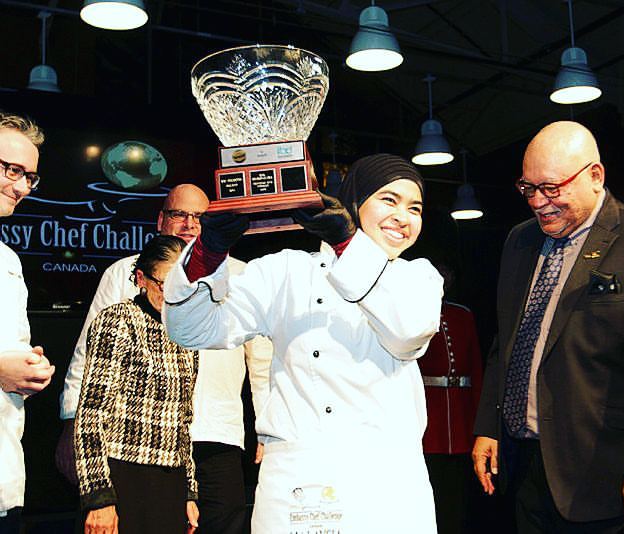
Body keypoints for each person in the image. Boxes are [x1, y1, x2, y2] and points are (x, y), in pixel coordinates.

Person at [163, 154, 443, 533]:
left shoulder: (418, 279)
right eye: (389, 200)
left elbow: (406, 332)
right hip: (296, 482)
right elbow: (192, 330)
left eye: (415, 208)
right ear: (355, 202)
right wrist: (207, 253)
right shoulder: (285, 271)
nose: (404, 217)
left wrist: (347, 243)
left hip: (386, 483)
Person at [472, 121, 624, 533]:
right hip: (524, 470)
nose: (539, 202)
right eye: (528, 188)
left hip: (607, 476)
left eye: (552, 189)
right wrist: (489, 425)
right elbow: (507, 341)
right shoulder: (519, 241)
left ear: (596, 176)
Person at [57, 184, 271, 533]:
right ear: (161, 220)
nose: (189, 224)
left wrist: (267, 426)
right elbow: (86, 357)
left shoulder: (243, 276)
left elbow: (263, 363)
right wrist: (70, 423)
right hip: (129, 445)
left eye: (201, 217)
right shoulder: (123, 272)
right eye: (179, 214)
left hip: (217, 434)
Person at [75, 235, 198, 533]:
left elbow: (184, 419)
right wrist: (98, 498)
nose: (175, 296)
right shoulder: (117, 320)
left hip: (170, 482)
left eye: (185, 287)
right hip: (123, 477)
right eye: (166, 285)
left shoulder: (185, 330)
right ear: (141, 278)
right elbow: (91, 413)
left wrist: (189, 492)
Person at [0, 111, 55, 534]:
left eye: (29, 177)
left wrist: (29, 369)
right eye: (11, 170)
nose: (21, 187)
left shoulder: (9, 260)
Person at [418, 263, 484, 534]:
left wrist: (478, 421)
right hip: (428, 420)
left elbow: (475, 368)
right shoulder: (413, 315)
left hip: (460, 419)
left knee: (458, 498)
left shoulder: (461, 315)